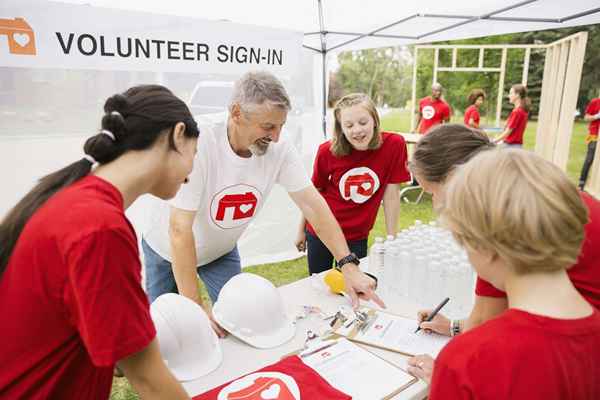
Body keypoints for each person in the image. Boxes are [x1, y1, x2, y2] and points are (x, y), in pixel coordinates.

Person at [142, 72, 382, 336]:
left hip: (219, 250)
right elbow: (179, 229)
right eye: (268, 127)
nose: (277, 137)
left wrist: (348, 264)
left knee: (243, 323)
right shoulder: (198, 142)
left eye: (281, 126)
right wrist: (195, 305)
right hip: (166, 249)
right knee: (172, 332)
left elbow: (313, 204)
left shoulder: (279, 147)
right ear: (236, 113)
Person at [0, 85, 198, 399]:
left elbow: (114, 351)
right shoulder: (100, 227)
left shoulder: (75, 200)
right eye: (194, 154)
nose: (191, 172)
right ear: (177, 134)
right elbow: (147, 379)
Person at [405, 123, 600, 384]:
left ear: (454, 178)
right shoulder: (538, 195)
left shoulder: (499, 222)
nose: (436, 204)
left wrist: (446, 376)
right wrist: (454, 327)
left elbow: (486, 323)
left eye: (432, 193)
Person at [295, 93, 411, 274]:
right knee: (319, 286)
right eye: (349, 125)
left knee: (353, 289)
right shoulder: (326, 151)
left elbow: (391, 196)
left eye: (363, 122)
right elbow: (314, 195)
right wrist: (301, 230)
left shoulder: (394, 145)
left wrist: (391, 239)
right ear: (341, 128)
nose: (357, 130)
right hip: (322, 231)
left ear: (375, 120)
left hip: (357, 236)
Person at [578, 96, 600, 190]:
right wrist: (596, 116)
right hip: (594, 136)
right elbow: (586, 117)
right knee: (589, 160)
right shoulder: (595, 102)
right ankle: (581, 184)